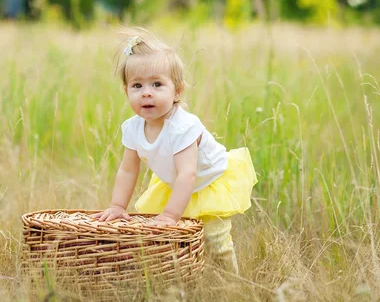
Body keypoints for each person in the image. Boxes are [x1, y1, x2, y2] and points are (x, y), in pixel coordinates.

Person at [91, 28, 258, 273]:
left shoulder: (183, 126)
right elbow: (128, 170)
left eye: (157, 84)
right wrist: (117, 205)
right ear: (127, 91)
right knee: (172, 242)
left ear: (177, 91)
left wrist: (170, 214)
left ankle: (232, 285)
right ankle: (186, 278)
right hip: (175, 183)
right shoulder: (132, 128)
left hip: (207, 182)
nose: (146, 92)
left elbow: (188, 174)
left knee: (215, 241)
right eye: (137, 85)